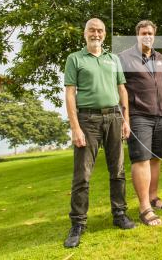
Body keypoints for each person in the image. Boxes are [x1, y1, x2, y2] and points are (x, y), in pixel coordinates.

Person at [63, 18, 135, 249]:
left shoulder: (113, 59)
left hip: (114, 117)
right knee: (82, 175)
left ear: (105, 34)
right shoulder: (75, 59)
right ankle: (78, 224)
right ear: (85, 34)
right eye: (92, 30)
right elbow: (70, 94)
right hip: (88, 120)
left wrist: (126, 120)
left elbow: (122, 90)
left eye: (100, 31)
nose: (96, 34)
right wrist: (75, 127)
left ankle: (119, 214)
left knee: (118, 171)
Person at [119, 20, 162, 226]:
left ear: (155, 35)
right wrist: (124, 115)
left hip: (160, 114)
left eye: (150, 33)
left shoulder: (160, 58)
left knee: (155, 158)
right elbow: (120, 86)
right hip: (138, 115)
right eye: (144, 33)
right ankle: (144, 207)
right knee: (140, 160)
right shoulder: (124, 58)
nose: (147, 36)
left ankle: (153, 197)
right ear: (137, 35)